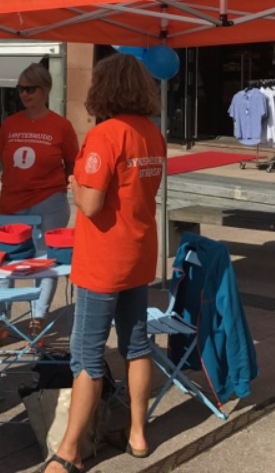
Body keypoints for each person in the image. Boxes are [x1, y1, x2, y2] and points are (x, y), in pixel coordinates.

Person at [45, 54, 167, 473]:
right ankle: (137, 433)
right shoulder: (153, 133)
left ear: (104, 88)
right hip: (139, 253)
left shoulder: (104, 135)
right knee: (137, 345)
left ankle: (69, 449)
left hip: (103, 260)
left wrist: (75, 186)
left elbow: (93, 205)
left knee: (86, 356)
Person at [0, 63, 78, 350]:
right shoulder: (10, 124)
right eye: (21, 89)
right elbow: (2, 160)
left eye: (30, 88)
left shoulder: (61, 126)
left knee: (46, 259)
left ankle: (38, 318)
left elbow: (71, 163)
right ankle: (0, 322)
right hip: (12, 202)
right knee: (6, 258)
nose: (24, 94)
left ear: (45, 89)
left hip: (50, 202)